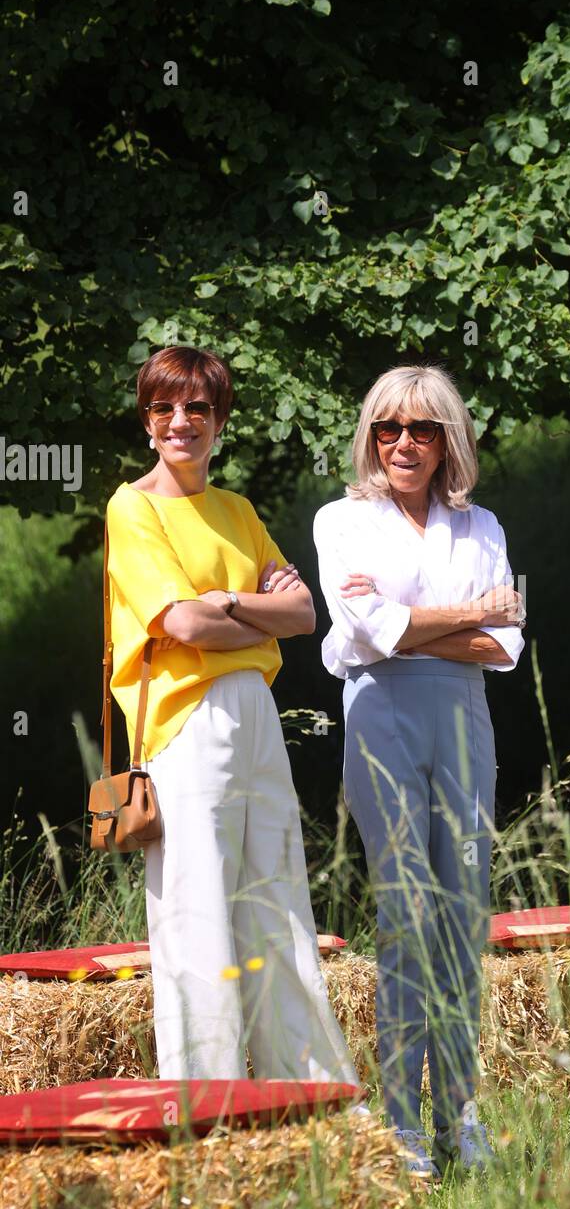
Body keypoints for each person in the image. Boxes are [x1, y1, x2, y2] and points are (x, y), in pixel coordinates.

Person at [105, 345, 358, 1091]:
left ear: (220, 421)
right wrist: (248, 614)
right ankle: (205, 1105)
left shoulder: (238, 511)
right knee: (196, 912)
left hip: (255, 713)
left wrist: (224, 603)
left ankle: (309, 1097)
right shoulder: (132, 507)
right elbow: (182, 624)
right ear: (147, 421)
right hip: (185, 723)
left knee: (280, 903)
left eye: (197, 408)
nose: (179, 421)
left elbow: (304, 613)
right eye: (163, 407)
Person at [313, 365, 525, 1177]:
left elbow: (506, 646)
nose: (404, 443)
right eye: (388, 428)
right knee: (405, 916)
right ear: (371, 437)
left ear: (447, 440)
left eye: (423, 429)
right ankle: (402, 1124)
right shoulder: (342, 520)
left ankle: (460, 1115)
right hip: (382, 716)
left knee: (462, 915)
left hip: (464, 714)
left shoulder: (481, 524)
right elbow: (367, 633)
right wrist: (471, 613)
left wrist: (405, 625)